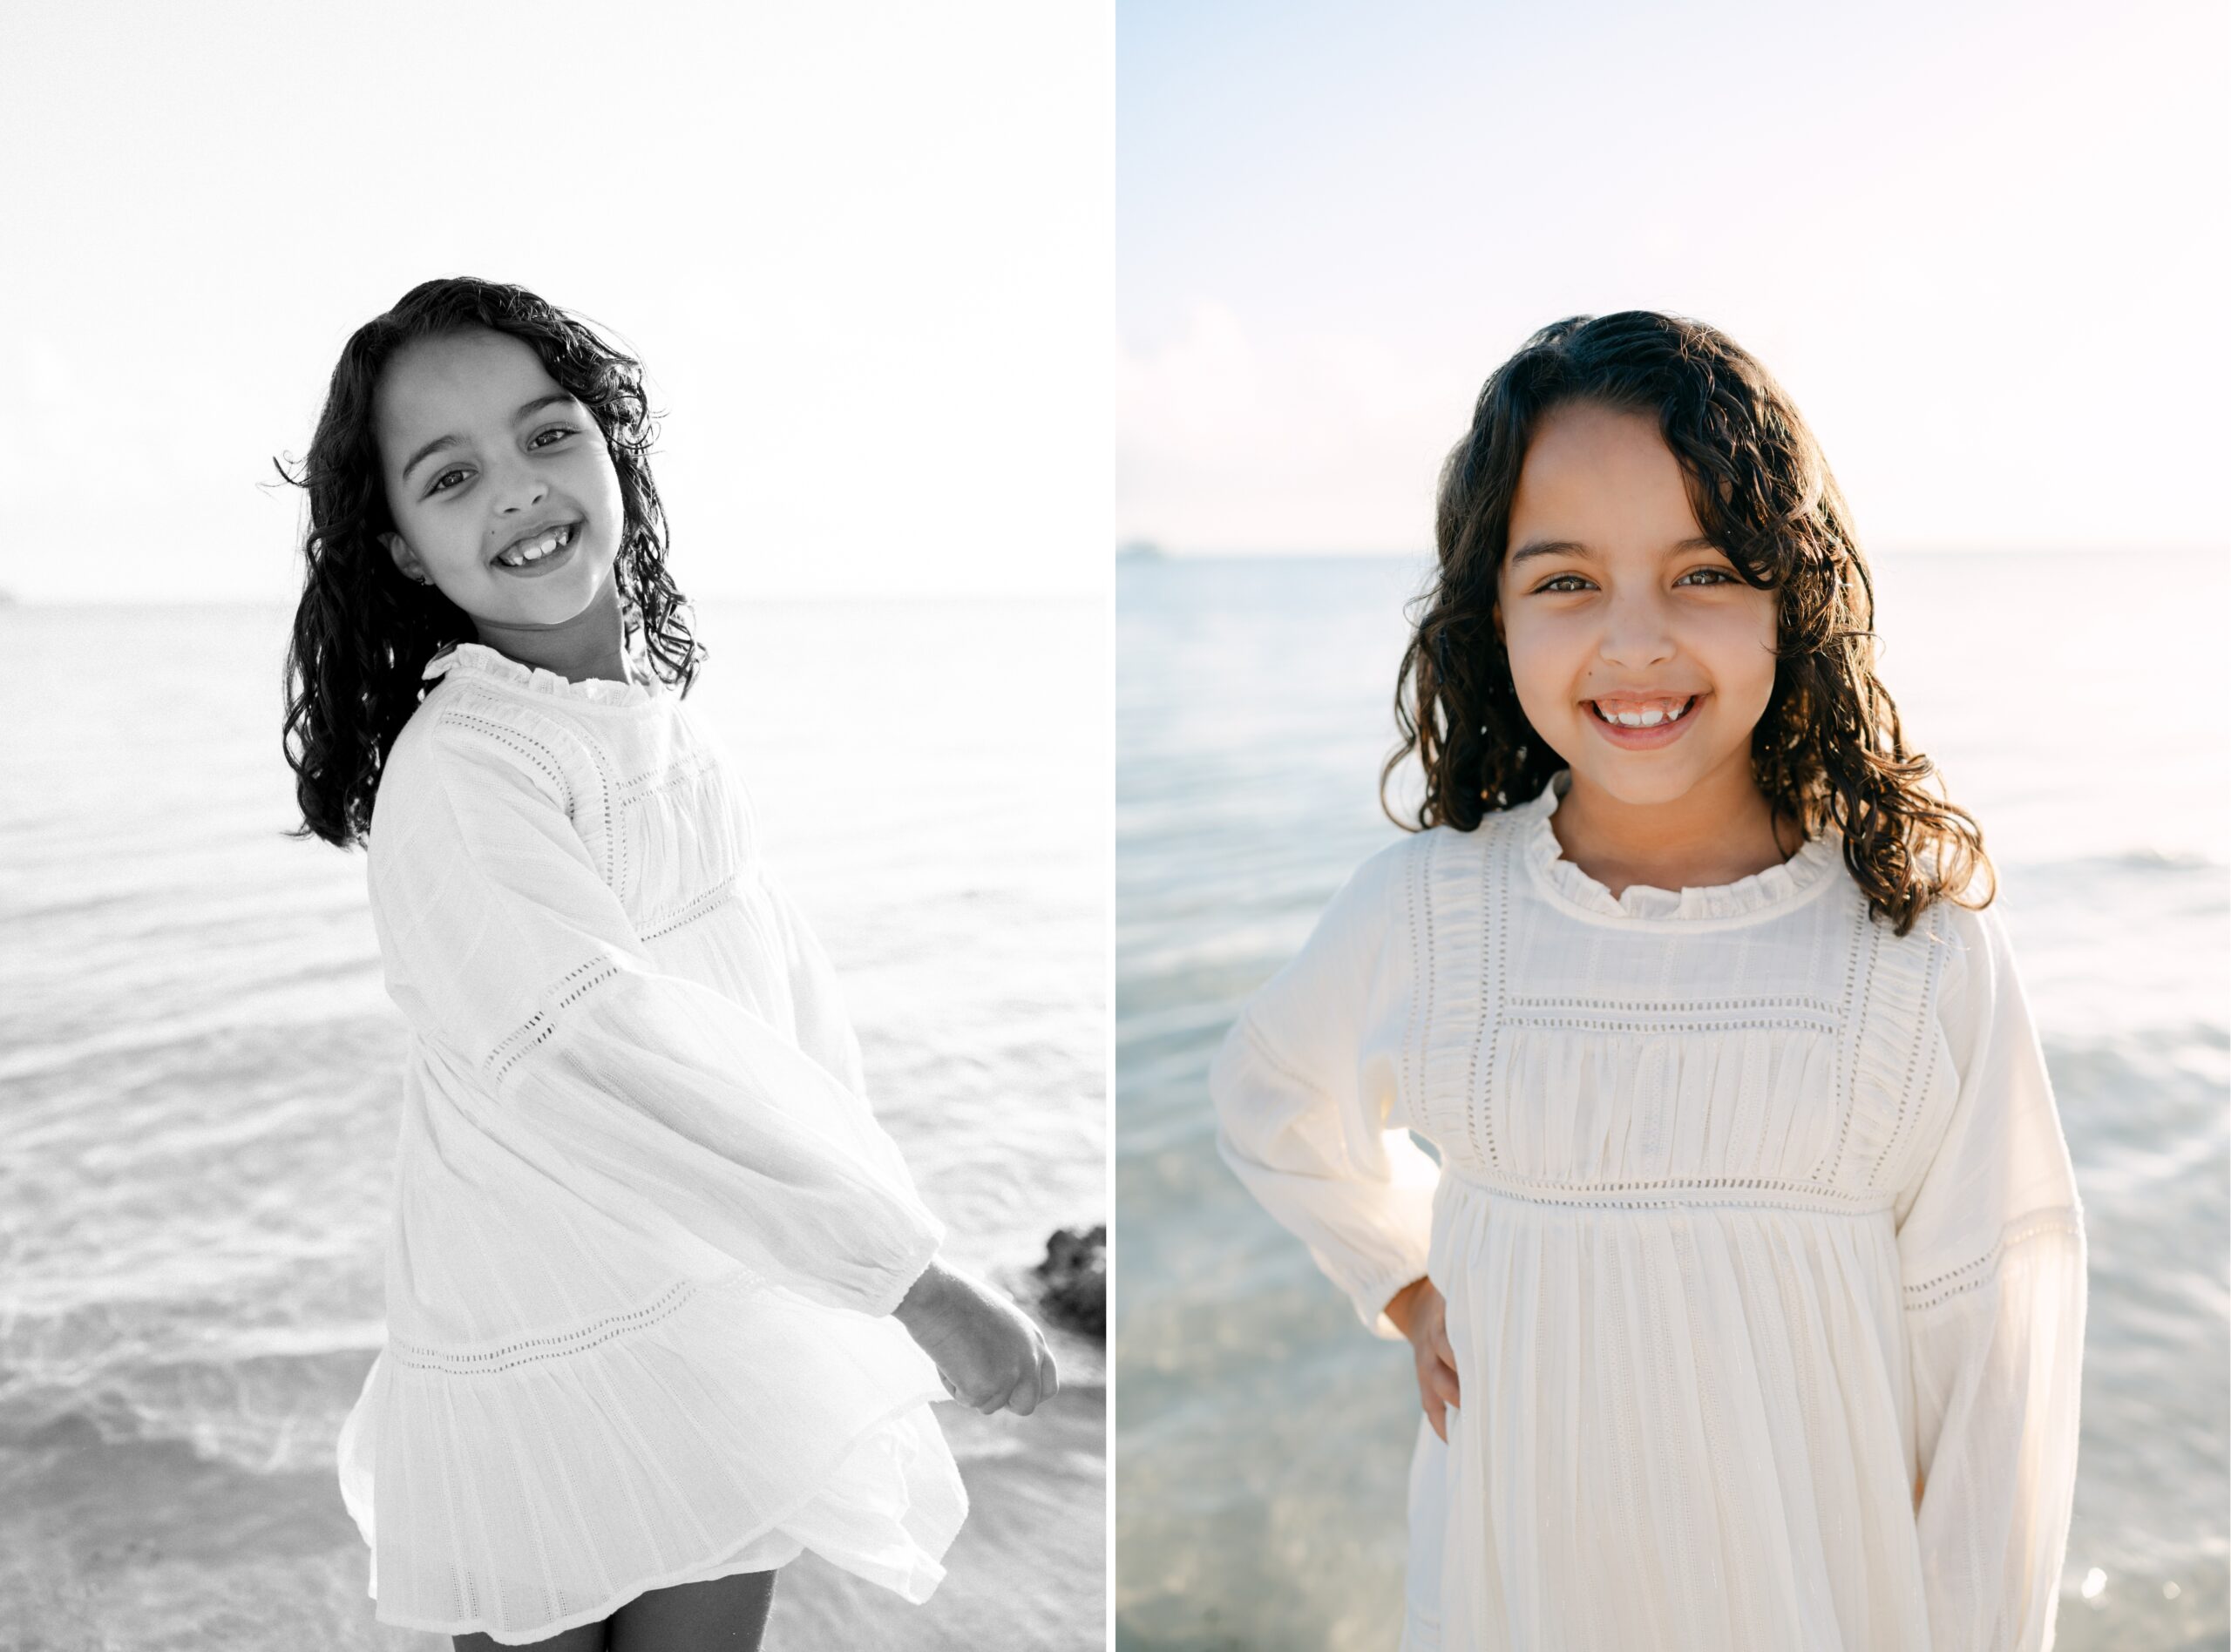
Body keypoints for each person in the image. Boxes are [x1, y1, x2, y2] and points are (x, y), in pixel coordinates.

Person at [1210, 311, 2086, 1651]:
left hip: (1818, 1602)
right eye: (1564, 582)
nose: (1635, 642)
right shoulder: (1442, 913)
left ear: (1793, 593)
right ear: (1488, 611)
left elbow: (1999, 1355)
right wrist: (1403, 1278)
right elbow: (1271, 1092)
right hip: (1522, 1588)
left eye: (1705, 572)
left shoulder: (1913, 947)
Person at [281, 276, 1057, 1649]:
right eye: (449, 475)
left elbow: (781, 1021)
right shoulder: (467, 764)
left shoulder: (652, 727)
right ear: (401, 549)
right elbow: (592, 1053)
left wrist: (878, 1238)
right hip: (541, 1326)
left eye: (544, 434)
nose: (517, 490)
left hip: (713, 1305)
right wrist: (907, 1278)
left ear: (607, 446)